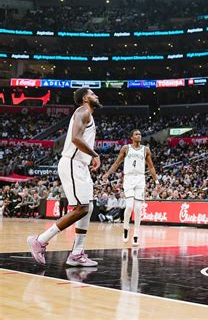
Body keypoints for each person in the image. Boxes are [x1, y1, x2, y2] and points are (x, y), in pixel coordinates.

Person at [28, 88, 101, 267]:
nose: (96, 96)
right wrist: (94, 154)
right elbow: (76, 138)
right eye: (93, 94)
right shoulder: (83, 111)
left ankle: (77, 253)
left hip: (80, 165)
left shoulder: (87, 114)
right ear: (85, 98)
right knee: (82, 208)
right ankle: (40, 240)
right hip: (72, 162)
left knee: (88, 207)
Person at [102, 129, 158, 246]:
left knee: (138, 209)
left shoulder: (146, 149)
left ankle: (136, 234)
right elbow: (117, 163)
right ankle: (126, 228)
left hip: (140, 179)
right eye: (136, 134)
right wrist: (107, 173)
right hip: (128, 178)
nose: (139, 135)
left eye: (140, 134)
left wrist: (156, 181)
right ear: (131, 137)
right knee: (128, 207)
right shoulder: (126, 148)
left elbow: (151, 167)